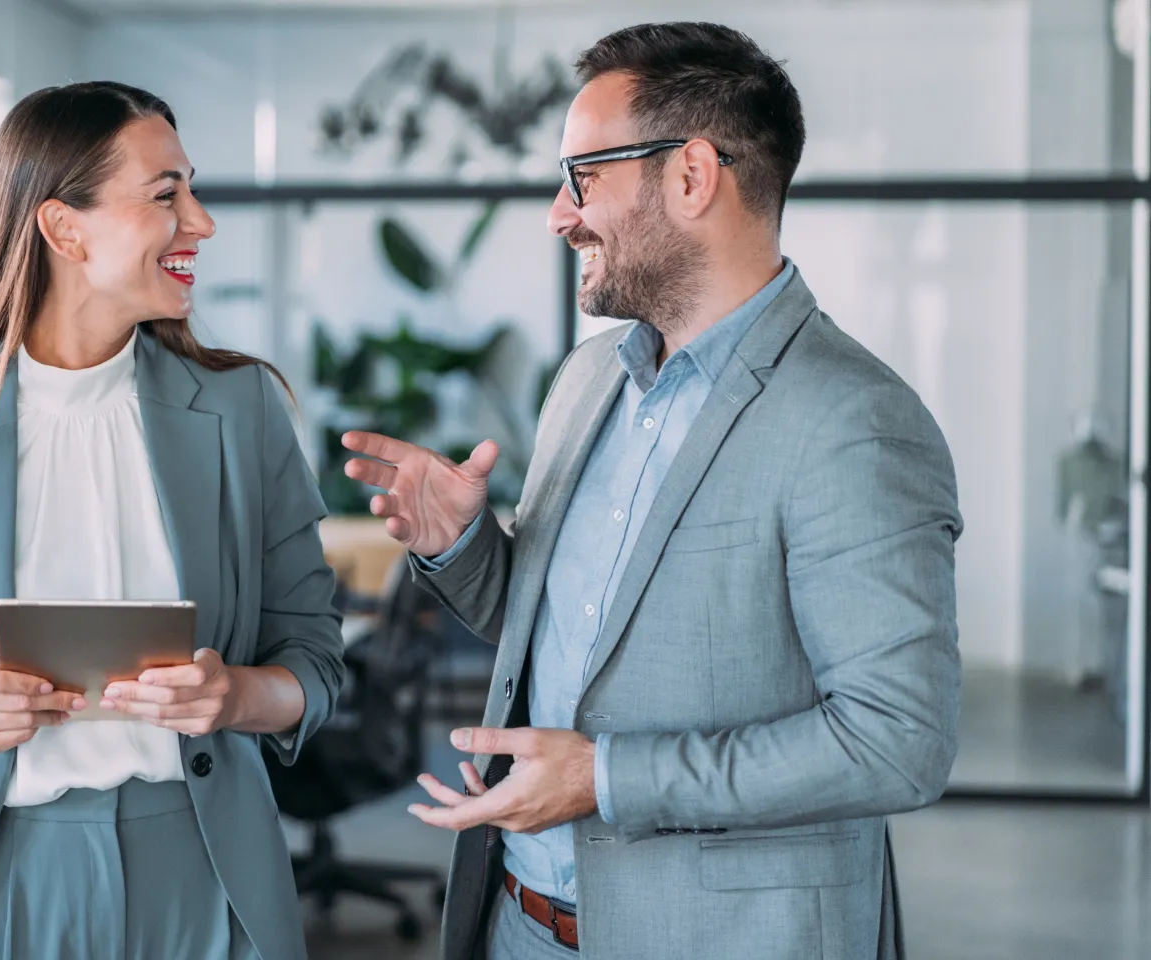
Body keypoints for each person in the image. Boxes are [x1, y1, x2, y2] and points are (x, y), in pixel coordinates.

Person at [343, 23, 962, 960]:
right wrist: (461, 548)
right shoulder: (587, 382)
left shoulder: (854, 420)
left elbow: (896, 739)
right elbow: (576, 642)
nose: (559, 214)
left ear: (690, 176)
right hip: (517, 920)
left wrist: (608, 779)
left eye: (581, 176)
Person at [0, 81, 344, 960]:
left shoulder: (243, 410)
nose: (200, 222)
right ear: (64, 228)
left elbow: (315, 661)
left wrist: (234, 696)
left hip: (202, 864)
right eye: (166, 194)